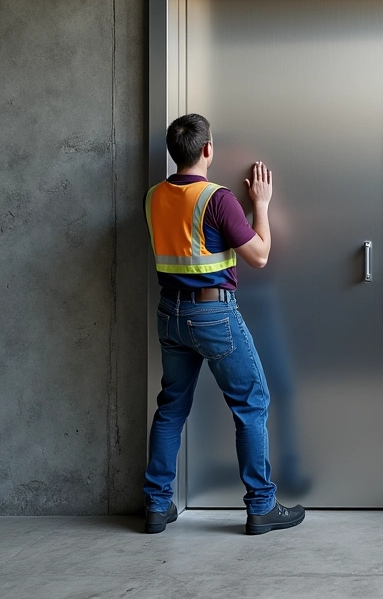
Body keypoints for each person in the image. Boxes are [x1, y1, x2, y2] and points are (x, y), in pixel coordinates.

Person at [143, 113, 305, 536]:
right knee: (252, 404)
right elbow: (260, 255)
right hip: (213, 314)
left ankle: (157, 507)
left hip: (169, 314)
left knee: (171, 408)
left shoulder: (153, 197)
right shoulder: (217, 199)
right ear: (208, 150)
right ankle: (261, 507)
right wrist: (262, 206)